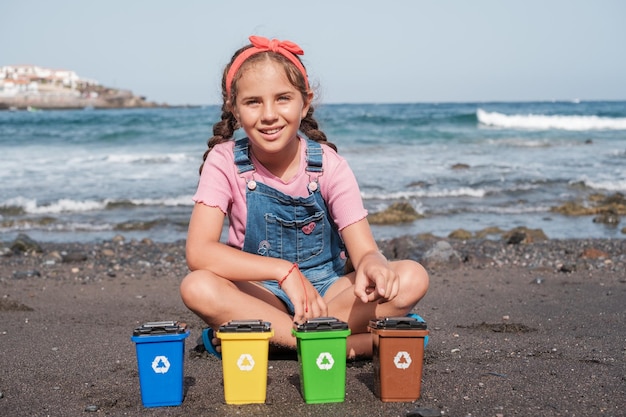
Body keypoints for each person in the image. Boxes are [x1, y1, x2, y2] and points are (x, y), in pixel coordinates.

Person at [180, 35, 429, 359]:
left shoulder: (328, 164)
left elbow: (365, 250)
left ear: (304, 101)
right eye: (253, 102)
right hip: (263, 294)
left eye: (282, 98)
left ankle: (270, 337)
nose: (269, 114)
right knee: (197, 287)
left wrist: (374, 266)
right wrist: (283, 271)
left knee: (411, 277)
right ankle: (337, 344)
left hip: (330, 292)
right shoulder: (224, 161)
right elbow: (199, 252)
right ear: (235, 108)